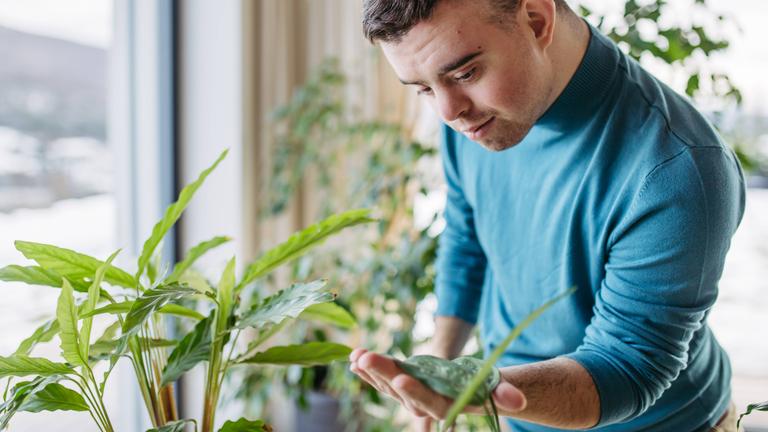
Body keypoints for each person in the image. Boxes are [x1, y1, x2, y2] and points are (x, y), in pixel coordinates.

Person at [348, 0, 746, 431]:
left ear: (536, 20)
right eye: (423, 89)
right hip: (517, 415)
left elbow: (626, 369)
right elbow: (467, 239)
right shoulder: (473, 117)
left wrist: (466, 388)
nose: (447, 113)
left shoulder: (677, 167)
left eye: (465, 73)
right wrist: (440, 364)